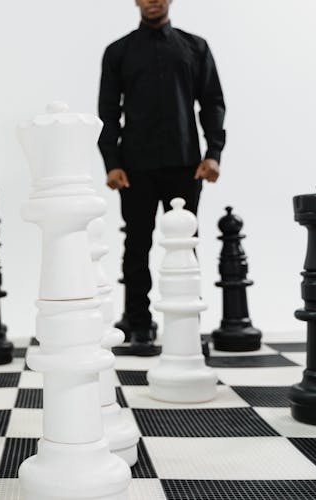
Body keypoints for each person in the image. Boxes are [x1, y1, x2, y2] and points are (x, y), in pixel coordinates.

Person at [97, 0, 225, 355]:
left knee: (187, 244)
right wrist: (111, 162)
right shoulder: (118, 52)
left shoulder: (195, 47)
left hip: (186, 163)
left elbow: (212, 102)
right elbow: (108, 111)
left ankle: (186, 323)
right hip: (134, 167)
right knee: (136, 244)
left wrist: (213, 153)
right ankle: (137, 322)